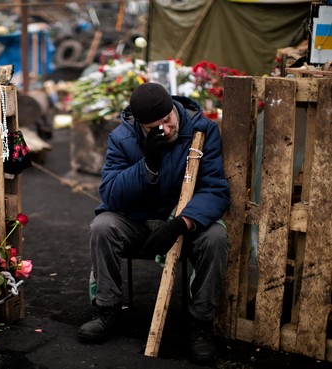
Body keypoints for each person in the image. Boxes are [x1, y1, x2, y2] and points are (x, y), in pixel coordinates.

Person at [77, 82, 230, 366]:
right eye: (155, 127)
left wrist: (182, 223)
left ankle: (200, 323)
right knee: (102, 227)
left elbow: (215, 189)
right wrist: (147, 163)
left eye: (168, 120)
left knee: (216, 238)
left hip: (184, 221)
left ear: (174, 108)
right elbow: (110, 194)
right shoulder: (122, 138)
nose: (166, 130)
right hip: (138, 221)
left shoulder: (201, 130)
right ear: (141, 125)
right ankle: (106, 310)